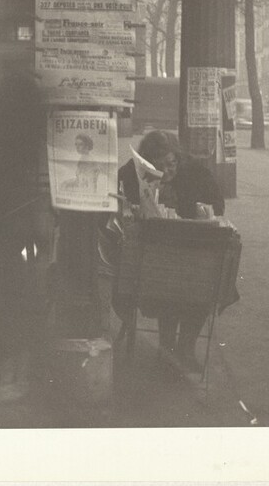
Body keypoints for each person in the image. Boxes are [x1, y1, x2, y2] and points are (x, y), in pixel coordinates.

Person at [116, 130, 225, 372]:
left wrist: (202, 210)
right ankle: (167, 347)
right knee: (163, 286)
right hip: (157, 257)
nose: (167, 170)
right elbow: (119, 182)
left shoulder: (196, 173)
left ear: (178, 158)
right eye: (158, 165)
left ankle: (185, 347)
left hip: (192, 252)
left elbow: (218, 204)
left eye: (171, 163)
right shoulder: (135, 170)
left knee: (200, 288)